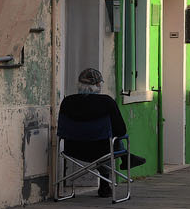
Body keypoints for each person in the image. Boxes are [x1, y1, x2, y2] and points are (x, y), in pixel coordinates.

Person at [57, 68, 144, 197]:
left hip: (73, 149)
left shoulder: (67, 102)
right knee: (111, 140)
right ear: (98, 85)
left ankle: (125, 159)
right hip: (103, 149)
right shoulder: (107, 102)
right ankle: (120, 164)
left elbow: (61, 128)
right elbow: (121, 130)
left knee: (105, 139)